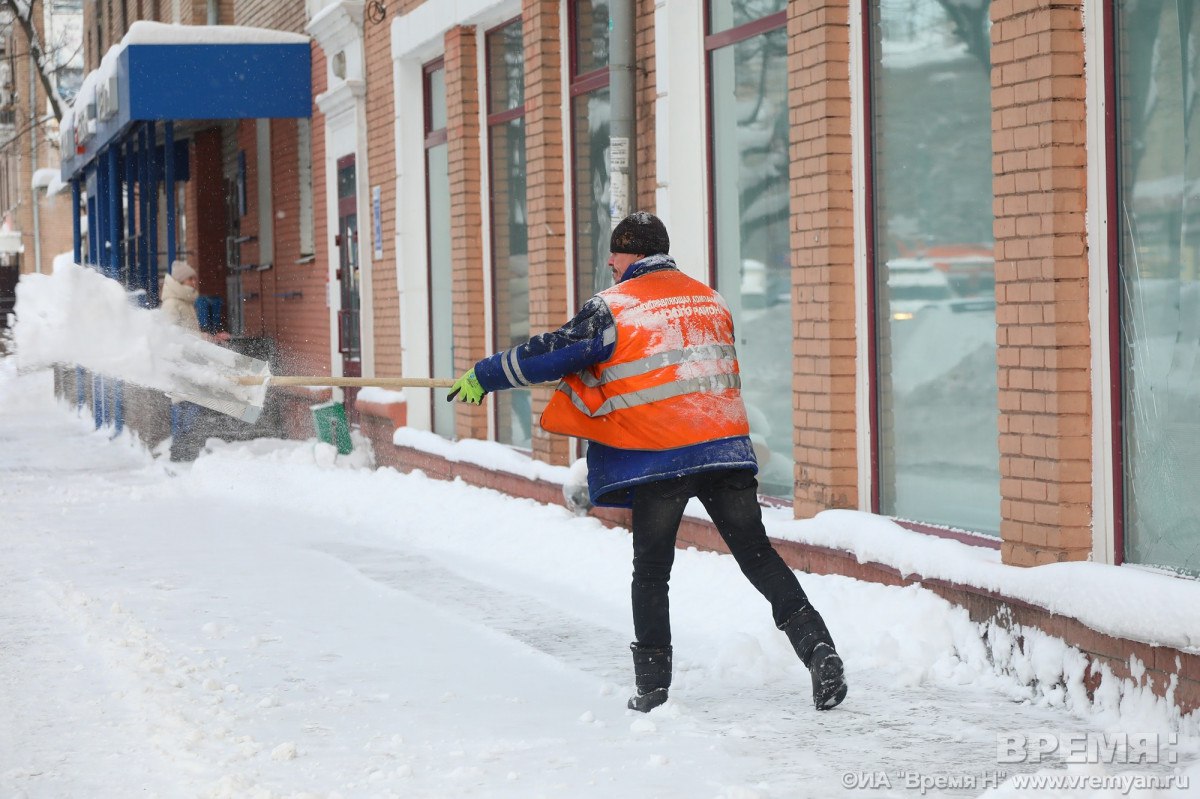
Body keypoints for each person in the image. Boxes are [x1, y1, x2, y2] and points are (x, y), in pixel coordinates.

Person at [449, 212, 847, 712]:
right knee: (758, 556)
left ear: (629, 255)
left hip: (663, 457)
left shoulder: (615, 306)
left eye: (613, 257)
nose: (610, 266)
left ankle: (653, 688)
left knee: (652, 570)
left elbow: (551, 352)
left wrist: (487, 375)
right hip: (725, 448)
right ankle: (819, 650)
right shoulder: (709, 298)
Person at [161, 259, 229, 461]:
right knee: (187, 409)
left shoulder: (185, 303)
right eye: (190, 278)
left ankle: (184, 452)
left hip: (190, 364)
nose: (194, 281)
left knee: (189, 408)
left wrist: (210, 338)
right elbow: (173, 336)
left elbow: (190, 335)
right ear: (181, 281)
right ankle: (181, 453)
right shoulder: (172, 305)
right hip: (181, 366)